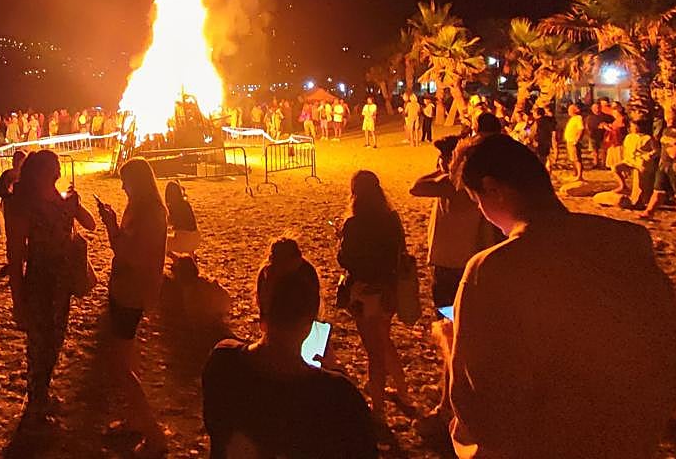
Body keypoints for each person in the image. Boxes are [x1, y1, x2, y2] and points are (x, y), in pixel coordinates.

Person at [444, 133, 676, 459]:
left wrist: (451, 346)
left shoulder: (493, 270)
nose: (482, 212)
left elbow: (482, 402)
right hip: (630, 440)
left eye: (477, 201)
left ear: (492, 189)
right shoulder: (626, 242)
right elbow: (668, 352)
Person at [203, 238, 377, 458]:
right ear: (311, 318)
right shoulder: (338, 399)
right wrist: (337, 378)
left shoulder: (223, 363)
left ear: (261, 302)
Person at [408, 136, 493, 438]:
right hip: (454, 267)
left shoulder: (453, 185)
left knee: (454, 339)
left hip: (453, 271)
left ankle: (450, 405)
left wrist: (445, 169)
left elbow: (416, 186)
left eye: (447, 158)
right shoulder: (469, 183)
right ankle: (449, 391)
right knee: (453, 334)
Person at [4, 150, 96, 423]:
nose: (58, 172)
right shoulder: (22, 205)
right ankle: (35, 401)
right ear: (40, 172)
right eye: (53, 167)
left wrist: (75, 206)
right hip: (40, 281)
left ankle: (42, 394)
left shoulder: (61, 199)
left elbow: (89, 224)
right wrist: (17, 301)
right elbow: (16, 254)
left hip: (62, 281)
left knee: (55, 340)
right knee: (39, 344)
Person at [95, 158, 169, 456]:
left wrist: (111, 226)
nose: (123, 186)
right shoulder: (141, 208)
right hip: (127, 289)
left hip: (132, 291)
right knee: (127, 355)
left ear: (138, 182)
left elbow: (130, 253)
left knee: (120, 365)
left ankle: (154, 434)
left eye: (126, 181)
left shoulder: (150, 214)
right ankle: (134, 420)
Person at [336, 170, 412, 426]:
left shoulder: (353, 224)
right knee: (384, 339)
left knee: (374, 351)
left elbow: (345, 259)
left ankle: (377, 406)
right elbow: (400, 250)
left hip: (363, 291)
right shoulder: (391, 219)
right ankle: (402, 391)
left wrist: (341, 241)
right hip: (386, 289)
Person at [161, 254, 230, 327]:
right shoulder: (201, 282)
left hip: (216, 312)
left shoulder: (190, 292)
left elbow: (194, 316)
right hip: (223, 306)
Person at [164, 180, 199, 256]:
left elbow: (168, 223)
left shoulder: (173, 207)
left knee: (161, 241)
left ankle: (175, 259)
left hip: (183, 242)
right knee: (183, 234)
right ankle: (191, 253)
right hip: (196, 240)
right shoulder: (186, 204)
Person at [563, 103, 585, 179]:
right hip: (569, 140)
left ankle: (579, 175)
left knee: (577, 158)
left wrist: (577, 139)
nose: (569, 111)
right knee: (572, 158)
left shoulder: (578, 118)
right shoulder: (573, 118)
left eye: (570, 109)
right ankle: (575, 173)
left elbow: (581, 129)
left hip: (573, 141)